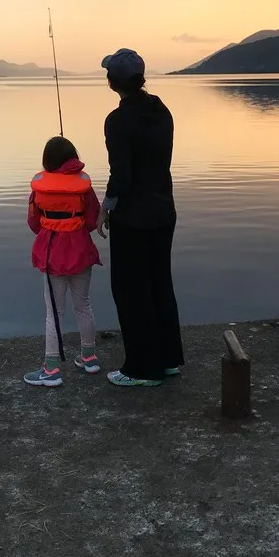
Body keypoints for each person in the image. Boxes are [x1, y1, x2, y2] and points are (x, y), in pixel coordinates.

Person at [97, 49, 184, 387]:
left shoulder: (117, 121)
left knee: (132, 290)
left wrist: (105, 207)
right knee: (160, 283)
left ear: (112, 82)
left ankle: (141, 369)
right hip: (164, 212)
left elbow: (121, 173)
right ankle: (167, 360)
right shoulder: (161, 111)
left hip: (133, 217)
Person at [24, 136, 102, 387]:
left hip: (52, 254)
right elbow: (93, 220)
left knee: (54, 313)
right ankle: (89, 358)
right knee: (83, 305)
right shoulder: (84, 187)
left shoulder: (39, 188)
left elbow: (33, 223)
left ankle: (51, 370)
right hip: (81, 252)